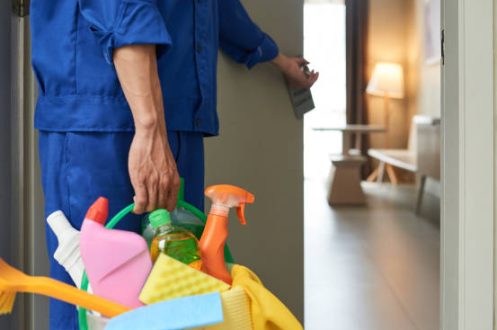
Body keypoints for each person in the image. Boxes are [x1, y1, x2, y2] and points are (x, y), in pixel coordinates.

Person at [30, 0, 318, 329]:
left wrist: (275, 58)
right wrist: (149, 128)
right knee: (96, 303)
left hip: (178, 121)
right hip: (103, 123)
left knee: (177, 300)